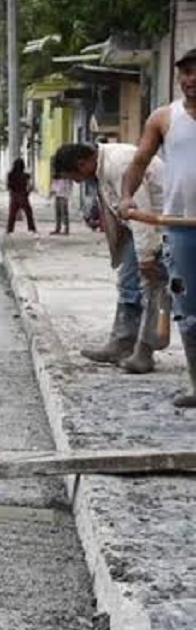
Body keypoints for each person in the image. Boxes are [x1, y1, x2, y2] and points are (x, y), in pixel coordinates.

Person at [119, 47, 196, 408]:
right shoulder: (164, 118)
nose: (191, 79)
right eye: (186, 72)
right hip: (180, 230)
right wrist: (125, 197)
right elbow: (139, 161)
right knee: (187, 310)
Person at [53, 142, 167, 374]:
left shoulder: (120, 163)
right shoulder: (103, 167)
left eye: (74, 176)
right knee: (128, 285)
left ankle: (144, 352)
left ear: (81, 163)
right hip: (140, 230)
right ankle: (122, 343)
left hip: (161, 227)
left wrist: (146, 256)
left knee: (153, 288)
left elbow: (140, 211)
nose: (77, 182)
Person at [6, 158, 37, 233]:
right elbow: (30, 186)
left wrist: (12, 192)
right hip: (23, 195)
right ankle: (31, 228)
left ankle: (9, 230)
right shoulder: (26, 175)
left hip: (14, 196)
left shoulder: (10, 175)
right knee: (29, 213)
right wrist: (27, 193)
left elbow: (8, 187)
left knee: (12, 215)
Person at [49, 171, 73, 235]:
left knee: (64, 213)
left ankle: (66, 229)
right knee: (58, 212)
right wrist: (52, 191)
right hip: (57, 195)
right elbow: (54, 183)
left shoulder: (66, 176)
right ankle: (58, 228)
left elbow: (69, 184)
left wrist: (68, 194)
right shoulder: (56, 175)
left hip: (64, 195)